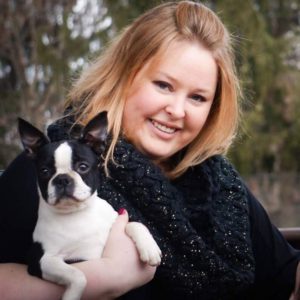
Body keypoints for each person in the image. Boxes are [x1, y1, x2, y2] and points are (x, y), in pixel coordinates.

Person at [0, 1, 299, 299]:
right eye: (164, 85)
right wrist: (103, 279)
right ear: (123, 76)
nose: (177, 110)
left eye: (197, 98)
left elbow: (287, 276)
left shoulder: (222, 188)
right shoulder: (49, 171)